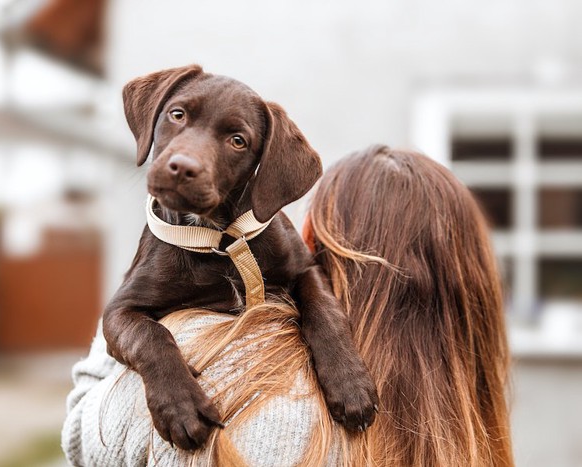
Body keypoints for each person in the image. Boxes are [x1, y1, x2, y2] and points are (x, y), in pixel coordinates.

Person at [62, 145, 514, 466]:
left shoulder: (221, 370)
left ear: (315, 242)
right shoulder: (467, 435)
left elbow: (83, 435)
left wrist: (130, 304)